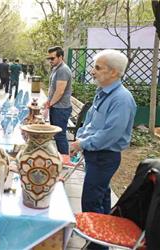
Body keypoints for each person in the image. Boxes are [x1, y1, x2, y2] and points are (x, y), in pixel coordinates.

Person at [70, 49, 136, 250]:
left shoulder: (122, 99)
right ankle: (101, 241)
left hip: (104, 157)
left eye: (98, 68)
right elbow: (90, 122)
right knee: (101, 199)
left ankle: (96, 246)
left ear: (114, 72)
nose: (92, 71)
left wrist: (81, 143)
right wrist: (80, 138)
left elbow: (110, 135)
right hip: (95, 155)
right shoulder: (103, 92)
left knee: (91, 202)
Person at [44, 46, 72, 156]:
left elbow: (60, 91)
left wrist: (49, 104)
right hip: (56, 107)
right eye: (49, 58)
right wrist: (48, 102)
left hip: (61, 109)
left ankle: (65, 159)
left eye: (52, 58)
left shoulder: (63, 70)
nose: (50, 61)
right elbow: (53, 89)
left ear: (60, 57)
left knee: (60, 135)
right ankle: (61, 157)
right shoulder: (57, 69)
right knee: (57, 135)